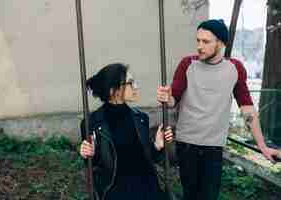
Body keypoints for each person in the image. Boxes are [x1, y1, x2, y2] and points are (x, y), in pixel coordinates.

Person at [157, 19, 280, 200]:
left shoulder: (234, 68)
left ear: (221, 43)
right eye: (198, 40)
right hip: (187, 145)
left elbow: (248, 110)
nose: (199, 46)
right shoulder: (187, 64)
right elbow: (173, 98)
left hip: (213, 148)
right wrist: (166, 97)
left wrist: (262, 146)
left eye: (206, 42)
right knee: (191, 196)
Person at [80, 63, 173, 200]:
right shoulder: (92, 123)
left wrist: (157, 146)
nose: (136, 87)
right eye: (130, 83)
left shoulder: (140, 118)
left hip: (148, 190)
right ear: (113, 91)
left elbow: (147, 159)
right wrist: (88, 154)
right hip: (116, 192)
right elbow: (95, 167)